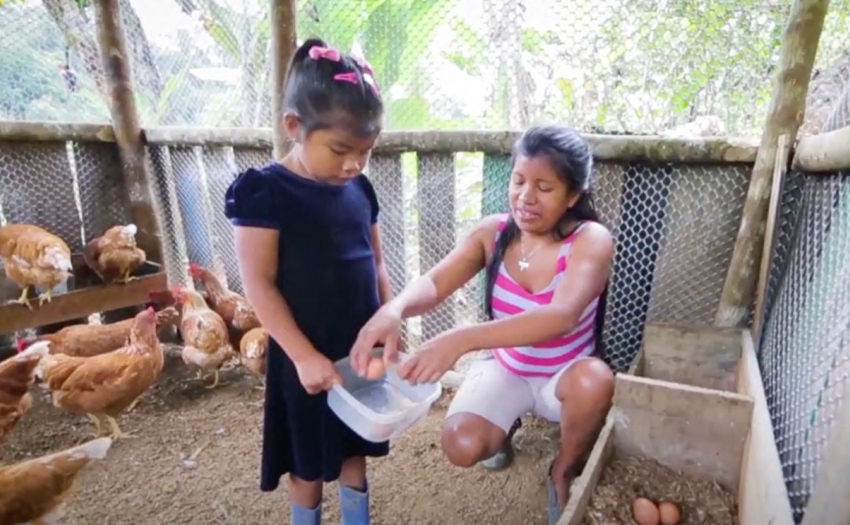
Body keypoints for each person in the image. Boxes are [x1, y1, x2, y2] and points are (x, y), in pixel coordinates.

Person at [350, 125, 616, 523]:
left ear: (573, 196)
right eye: (519, 180)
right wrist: (396, 309)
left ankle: (564, 468)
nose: (526, 197)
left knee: (595, 380)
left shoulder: (590, 239)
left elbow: (561, 317)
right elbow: (435, 283)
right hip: (507, 369)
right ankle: (503, 428)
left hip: (564, 376)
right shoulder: (493, 234)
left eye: (545, 187)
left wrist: (461, 339)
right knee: (462, 445)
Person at [225, 37, 390, 525]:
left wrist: (389, 318)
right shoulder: (265, 192)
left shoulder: (359, 188)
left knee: (355, 446)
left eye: (366, 150)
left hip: (357, 347)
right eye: (340, 149)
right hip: (304, 352)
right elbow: (258, 283)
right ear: (294, 127)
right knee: (308, 460)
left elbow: (376, 264)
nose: (354, 164)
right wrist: (301, 355)